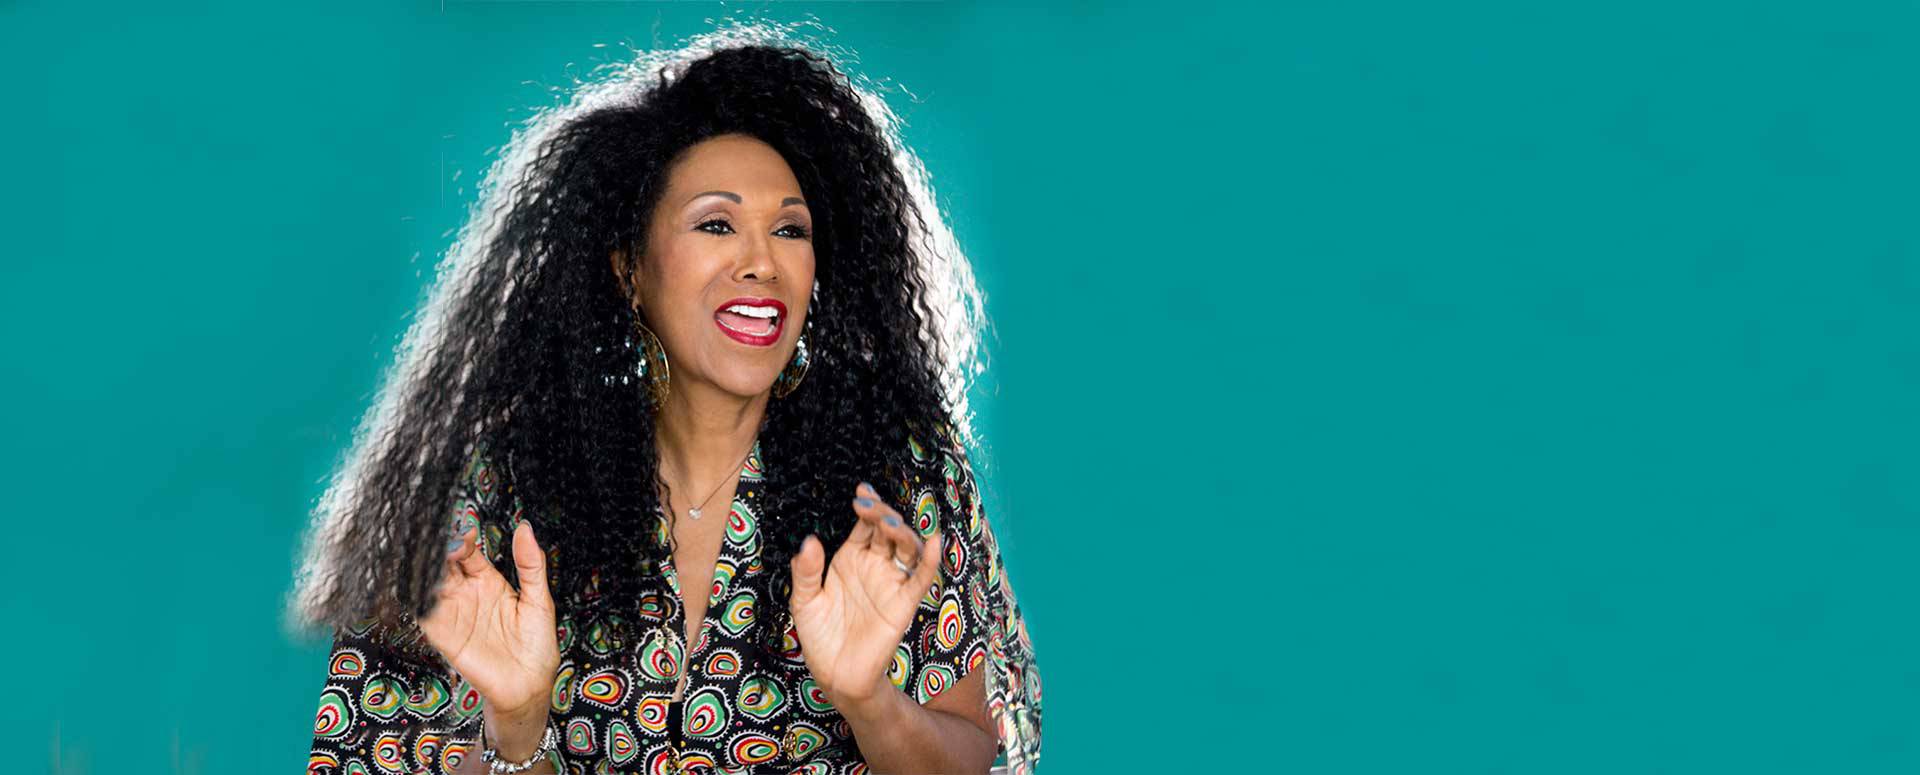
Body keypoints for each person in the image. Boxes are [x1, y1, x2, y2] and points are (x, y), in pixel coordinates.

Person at [288, 34, 1041, 775]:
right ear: (630, 272)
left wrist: (868, 699)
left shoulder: (898, 475)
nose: (762, 261)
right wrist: (517, 727)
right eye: (716, 223)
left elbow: (975, 751)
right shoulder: (500, 483)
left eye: (790, 229)